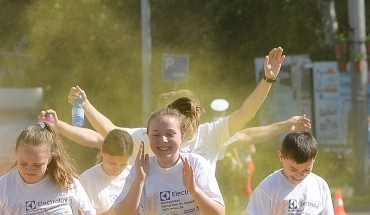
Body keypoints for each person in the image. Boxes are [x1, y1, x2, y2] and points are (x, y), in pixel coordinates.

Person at [66, 47, 291, 172]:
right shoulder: (156, 138)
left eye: (191, 119)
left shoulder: (210, 134)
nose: (187, 128)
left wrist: (268, 80)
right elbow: (113, 132)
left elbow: (246, 114)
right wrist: (85, 104)